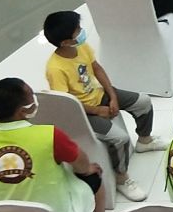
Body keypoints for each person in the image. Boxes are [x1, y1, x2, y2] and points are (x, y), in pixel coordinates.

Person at [0, 77, 117, 212]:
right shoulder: (49, 135)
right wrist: (88, 168)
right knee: (94, 176)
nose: (34, 99)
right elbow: (81, 164)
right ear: (22, 111)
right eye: (31, 96)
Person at [42, 10, 156, 201]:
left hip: (101, 94)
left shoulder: (82, 47)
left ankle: (145, 140)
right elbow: (67, 103)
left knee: (143, 102)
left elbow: (97, 69)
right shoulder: (55, 69)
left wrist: (113, 96)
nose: (81, 32)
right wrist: (97, 110)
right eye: (77, 30)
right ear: (65, 42)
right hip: (83, 112)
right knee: (120, 138)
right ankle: (121, 178)